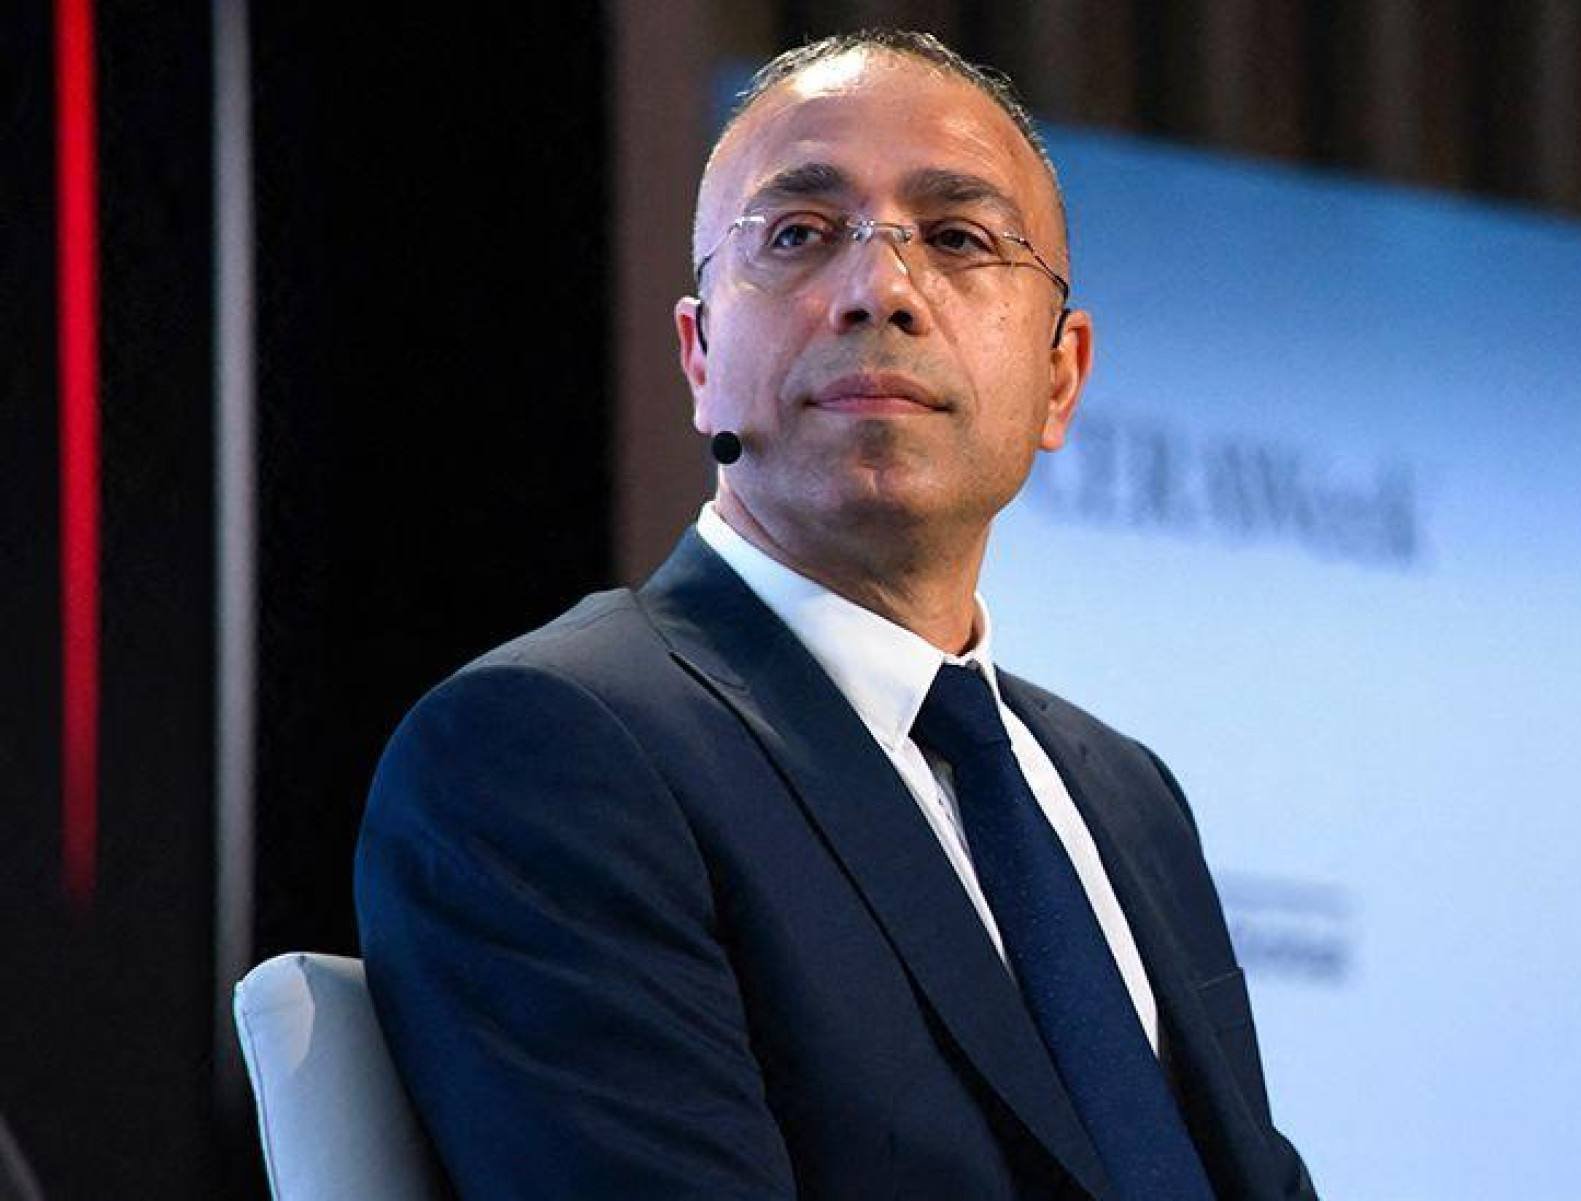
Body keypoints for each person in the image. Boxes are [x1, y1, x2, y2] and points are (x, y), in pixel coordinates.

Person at [355, 30, 1315, 1200]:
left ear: (1061, 378)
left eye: (957, 239)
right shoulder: (549, 750)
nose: (880, 291)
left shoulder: (1125, 795)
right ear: (700, 354)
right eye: (799, 235)